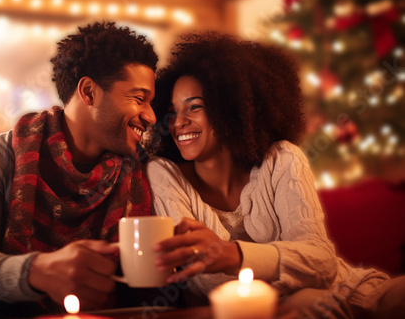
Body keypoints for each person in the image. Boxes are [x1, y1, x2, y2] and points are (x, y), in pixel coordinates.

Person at [146, 32, 405, 318]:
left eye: (194, 107)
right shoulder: (164, 174)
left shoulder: (282, 159)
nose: (179, 122)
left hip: (360, 294)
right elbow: (208, 279)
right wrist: (296, 275)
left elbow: (323, 265)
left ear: (230, 109)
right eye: (172, 112)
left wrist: (232, 254)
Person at [0, 21, 164, 316]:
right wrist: (38, 271)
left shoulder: (148, 170)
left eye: (151, 102)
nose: (150, 115)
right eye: (138, 98)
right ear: (89, 92)